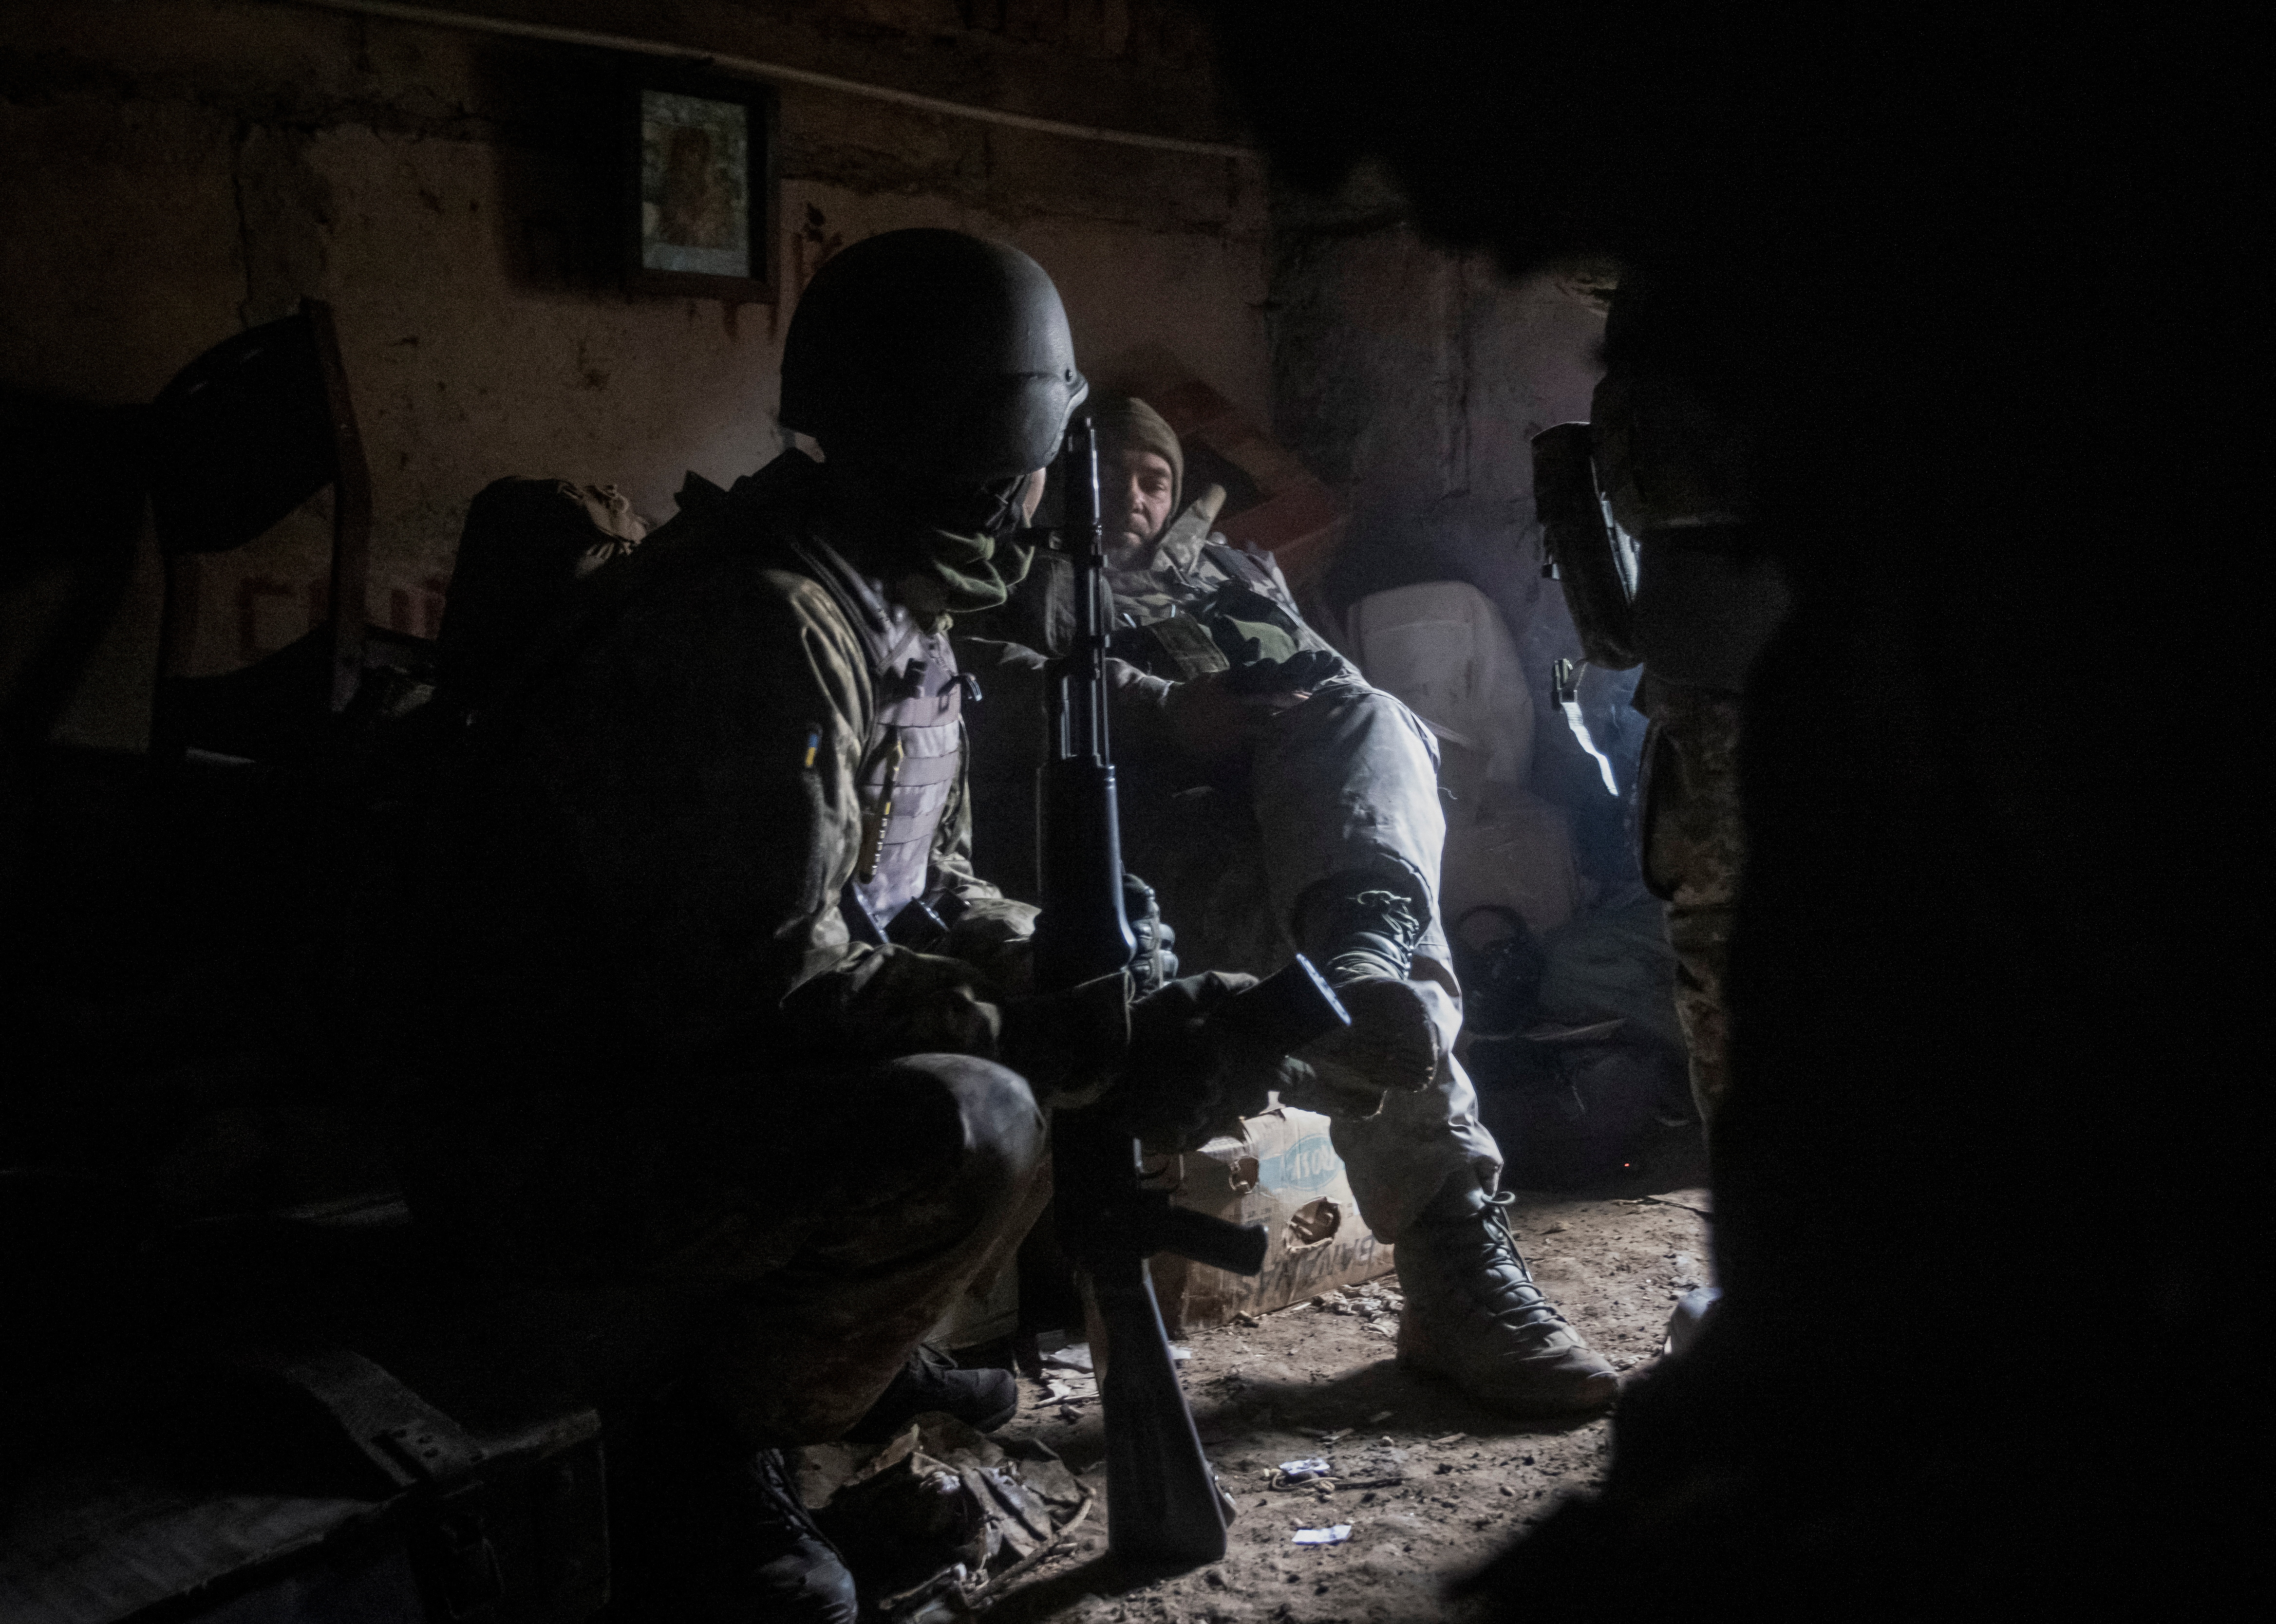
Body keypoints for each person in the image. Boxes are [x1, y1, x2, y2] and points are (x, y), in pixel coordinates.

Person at [406, 234, 1279, 1622]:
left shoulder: (875, 593)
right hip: (561, 1133)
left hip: (677, 1090)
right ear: (998, 447)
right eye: (1046, 447)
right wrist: (1036, 1030)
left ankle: (845, 1360)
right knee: (976, 1122)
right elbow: (755, 984)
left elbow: (916, 892)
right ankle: (704, 1453)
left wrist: (1090, 961)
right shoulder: (759, 627)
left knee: (1046, 1069)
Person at [959, 394, 1619, 1415]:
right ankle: (1451, 1257)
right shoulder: (998, 568)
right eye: (1113, 470)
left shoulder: (1232, 576)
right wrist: (1173, 712)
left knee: (1372, 731)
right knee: (1376, 956)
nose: (1134, 496)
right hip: (1112, 861)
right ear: (1054, 473)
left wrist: (1326, 719)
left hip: (1287, 842)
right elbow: (972, 700)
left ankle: (1365, 963)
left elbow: (1340, 698)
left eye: (1157, 478)